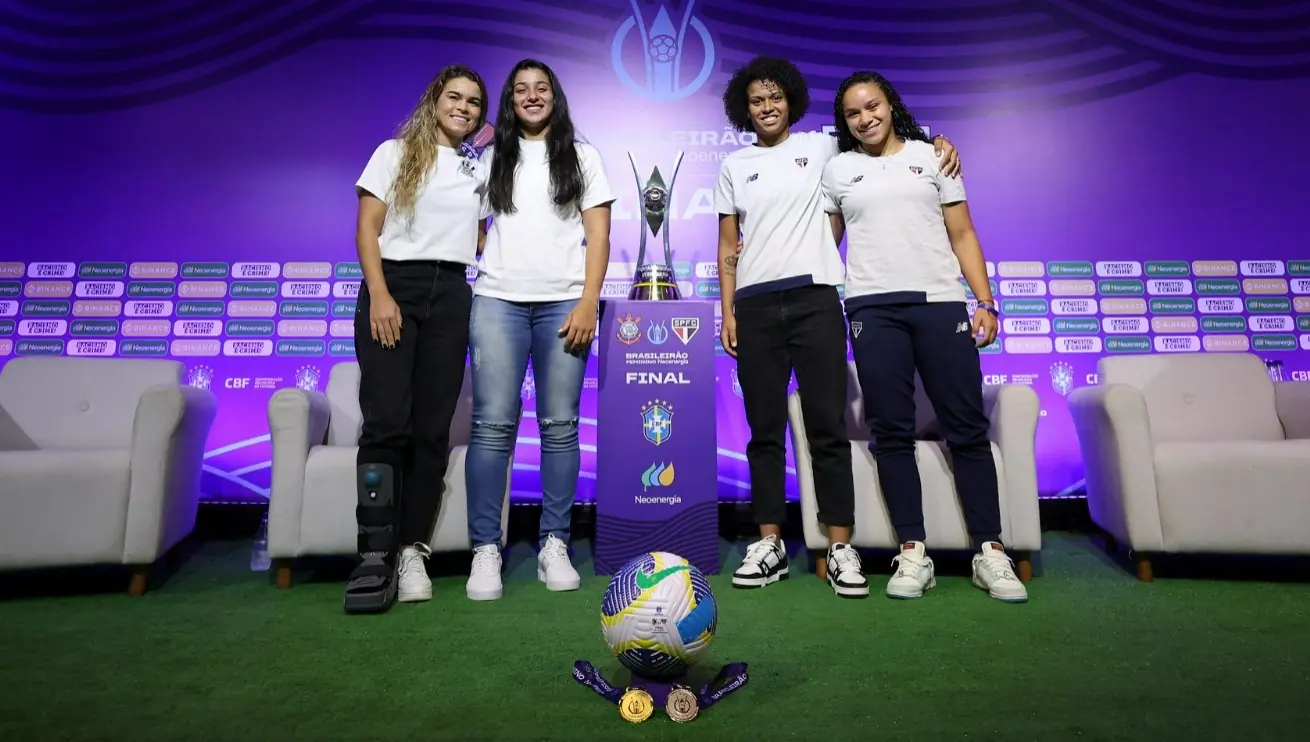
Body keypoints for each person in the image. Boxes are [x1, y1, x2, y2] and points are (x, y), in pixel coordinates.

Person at [715, 57, 960, 599]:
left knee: (826, 426)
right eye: (756, 100)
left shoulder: (826, 148)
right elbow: (728, 244)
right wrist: (727, 310)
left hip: (817, 300)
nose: (767, 107)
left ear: (791, 101)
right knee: (764, 431)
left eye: (775, 97)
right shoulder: (734, 165)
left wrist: (940, 140)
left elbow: (890, 144)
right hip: (754, 305)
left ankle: (839, 545)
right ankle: (770, 543)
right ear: (744, 109)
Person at [821, 70, 1027, 603]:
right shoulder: (837, 169)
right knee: (891, 432)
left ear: (890, 105)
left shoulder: (933, 156)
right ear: (844, 121)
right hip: (871, 308)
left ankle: (991, 552)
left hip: (940, 303)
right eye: (852, 113)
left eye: (872, 106)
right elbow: (824, 243)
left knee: (966, 426)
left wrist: (985, 302)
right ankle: (913, 553)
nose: (865, 118)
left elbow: (962, 232)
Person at [463, 59, 614, 602]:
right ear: (510, 100)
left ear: (555, 96)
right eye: (521, 89)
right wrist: (500, 258)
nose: (531, 96)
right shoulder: (490, 156)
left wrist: (588, 301)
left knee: (560, 426)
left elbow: (599, 236)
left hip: (564, 304)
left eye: (541, 88)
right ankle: (486, 548)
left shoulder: (583, 155)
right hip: (497, 302)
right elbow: (467, 225)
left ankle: (554, 543)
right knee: (491, 427)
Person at [345, 64, 489, 614]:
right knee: (387, 424)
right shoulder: (394, 153)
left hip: (451, 294)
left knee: (431, 431)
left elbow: (479, 237)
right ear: (434, 100)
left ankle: (411, 551)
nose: (463, 107)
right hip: (394, 287)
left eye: (473, 102)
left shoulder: (477, 169)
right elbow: (367, 228)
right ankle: (374, 556)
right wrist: (380, 294)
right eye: (454, 97)